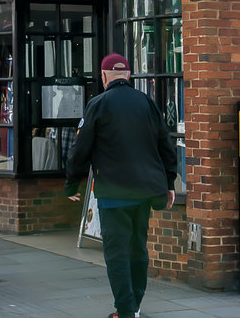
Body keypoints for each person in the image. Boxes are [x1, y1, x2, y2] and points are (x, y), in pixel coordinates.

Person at [65, 53, 178, 318]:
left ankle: (125, 311)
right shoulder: (147, 103)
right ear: (128, 76)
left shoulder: (98, 104)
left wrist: (72, 184)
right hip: (145, 193)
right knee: (138, 248)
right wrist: (170, 182)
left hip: (113, 194)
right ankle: (134, 306)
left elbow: (80, 149)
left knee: (116, 254)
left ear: (104, 77)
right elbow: (166, 145)